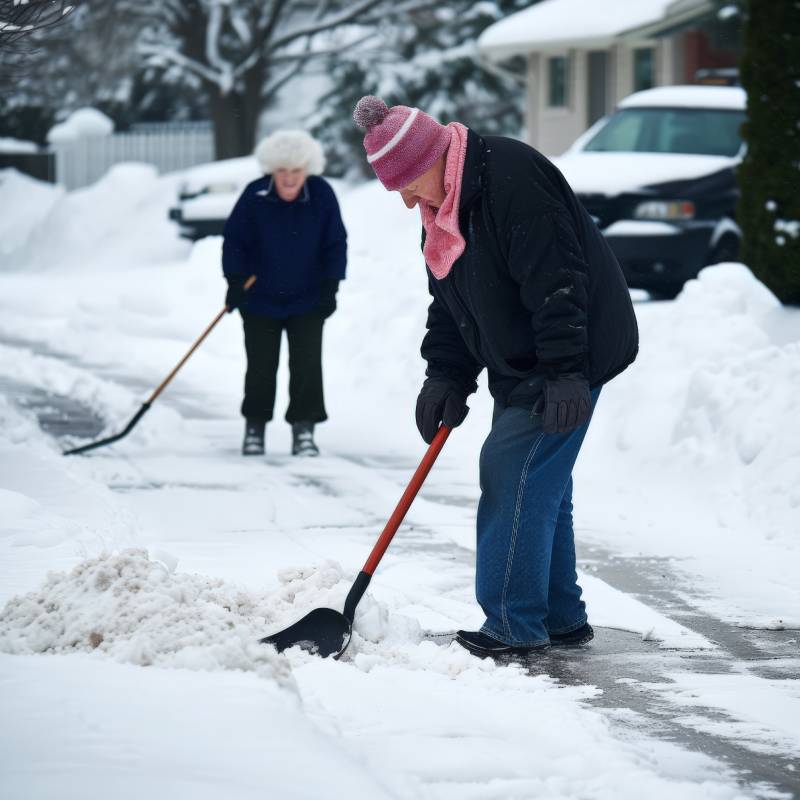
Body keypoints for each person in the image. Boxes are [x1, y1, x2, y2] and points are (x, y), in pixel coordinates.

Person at [353, 96, 639, 658]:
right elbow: (454, 302)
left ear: (433, 159)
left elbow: (558, 281)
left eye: (408, 184)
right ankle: (558, 617)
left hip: (570, 350)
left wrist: (565, 373)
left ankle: (513, 622)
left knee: (511, 471)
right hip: (524, 359)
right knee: (540, 484)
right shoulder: (443, 211)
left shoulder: (512, 179)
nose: (407, 200)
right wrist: (446, 376)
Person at [222, 130, 347, 457]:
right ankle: (255, 427)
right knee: (260, 367)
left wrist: (331, 286)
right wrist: (235, 282)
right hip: (259, 298)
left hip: (308, 298)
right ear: (271, 170)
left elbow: (335, 243)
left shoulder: (321, 194)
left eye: (296, 171)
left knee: (307, 366)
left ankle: (304, 429)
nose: (289, 178)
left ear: (308, 170)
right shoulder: (255, 195)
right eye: (282, 171)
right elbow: (235, 241)